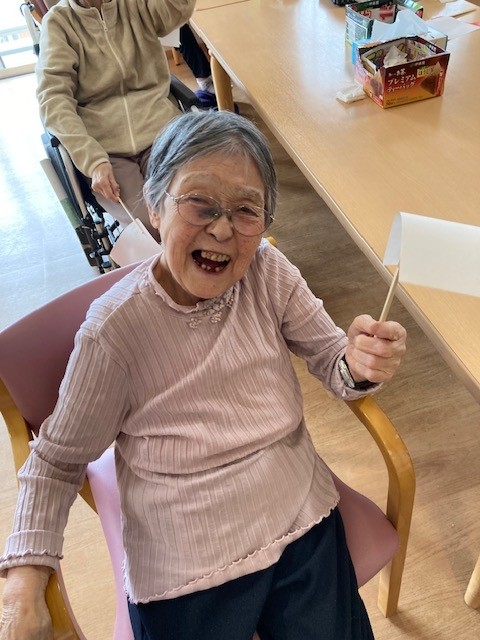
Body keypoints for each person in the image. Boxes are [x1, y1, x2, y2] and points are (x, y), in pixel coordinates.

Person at [0, 110, 407, 640]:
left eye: (246, 210)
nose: (221, 228)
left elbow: (333, 360)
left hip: (297, 516)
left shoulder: (268, 272)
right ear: (154, 206)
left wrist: (360, 363)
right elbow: (57, 461)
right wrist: (24, 582)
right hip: (186, 562)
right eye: (200, 203)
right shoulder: (115, 331)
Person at [36, 0, 196, 236]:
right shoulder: (59, 22)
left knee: (186, 207)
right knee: (148, 226)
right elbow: (53, 99)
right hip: (106, 150)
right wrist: (93, 161)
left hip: (160, 132)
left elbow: (176, 8)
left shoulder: (137, 4)